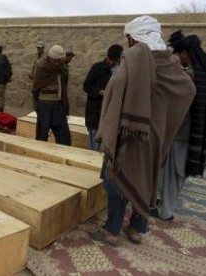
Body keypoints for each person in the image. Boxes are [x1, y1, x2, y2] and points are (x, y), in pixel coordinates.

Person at [90, 15, 195, 247]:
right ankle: (137, 230)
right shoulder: (170, 63)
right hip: (155, 136)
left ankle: (112, 232)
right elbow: (187, 89)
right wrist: (164, 119)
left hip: (128, 134)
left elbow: (117, 87)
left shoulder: (135, 58)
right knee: (147, 179)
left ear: (133, 38)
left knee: (116, 180)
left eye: (128, 37)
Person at [153, 32, 206, 221]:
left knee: (173, 174)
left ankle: (165, 211)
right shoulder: (201, 73)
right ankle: (165, 207)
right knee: (177, 174)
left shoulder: (190, 76)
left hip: (182, 133)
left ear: (185, 54)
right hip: (194, 134)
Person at [83, 44, 124, 151]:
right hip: (95, 113)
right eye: (110, 59)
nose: (111, 62)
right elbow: (87, 86)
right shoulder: (97, 68)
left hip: (111, 114)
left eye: (114, 61)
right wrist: (100, 92)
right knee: (95, 146)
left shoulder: (122, 71)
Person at [32, 45, 71, 145]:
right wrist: (37, 105)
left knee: (64, 137)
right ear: (49, 58)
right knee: (42, 135)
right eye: (54, 61)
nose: (57, 63)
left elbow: (64, 86)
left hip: (58, 105)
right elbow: (36, 87)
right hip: (44, 104)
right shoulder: (41, 67)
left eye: (59, 60)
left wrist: (64, 103)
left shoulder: (62, 67)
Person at [0, 45, 12, 112]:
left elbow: (1, 71)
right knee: (0, 97)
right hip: (2, 81)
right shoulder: (3, 58)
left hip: (0, 82)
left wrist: (2, 78)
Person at [30, 40, 45, 110]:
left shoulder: (45, 57)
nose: (39, 49)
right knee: (34, 95)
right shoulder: (36, 56)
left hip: (41, 81)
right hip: (35, 80)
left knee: (40, 97)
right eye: (38, 48)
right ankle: (35, 110)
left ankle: (39, 111)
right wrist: (32, 74)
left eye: (40, 48)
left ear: (43, 48)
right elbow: (34, 66)